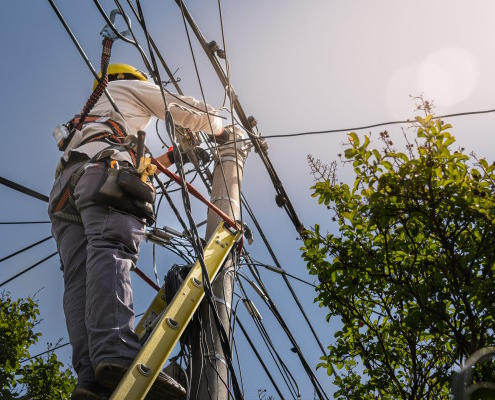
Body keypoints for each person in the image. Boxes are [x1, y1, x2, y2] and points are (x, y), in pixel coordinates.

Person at [48, 64, 224, 399]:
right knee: (112, 249)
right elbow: (181, 109)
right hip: (102, 172)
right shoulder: (128, 88)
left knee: (79, 279)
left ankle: (91, 377)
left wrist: (175, 155)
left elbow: (126, 163)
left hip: (65, 194)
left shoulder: (89, 119)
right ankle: (115, 353)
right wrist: (220, 127)